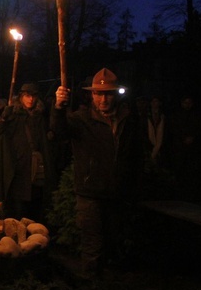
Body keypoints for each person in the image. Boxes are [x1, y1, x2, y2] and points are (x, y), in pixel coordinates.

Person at [50, 68, 141, 278]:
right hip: (90, 193)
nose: (103, 99)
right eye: (99, 94)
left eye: (108, 94)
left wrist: (134, 187)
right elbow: (58, 132)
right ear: (92, 95)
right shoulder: (81, 119)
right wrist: (58, 107)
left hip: (117, 192)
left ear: (115, 94)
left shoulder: (128, 119)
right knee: (92, 245)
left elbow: (136, 156)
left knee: (112, 241)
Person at [0, 83, 51, 222]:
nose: (30, 100)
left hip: (35, 171)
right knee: (18, 209)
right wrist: (3, 118)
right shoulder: (14, 115)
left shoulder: (39, 117)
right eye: (27, 96)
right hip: (18, 170)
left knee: (34, 208)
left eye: (33, 96)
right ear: (21, 97)